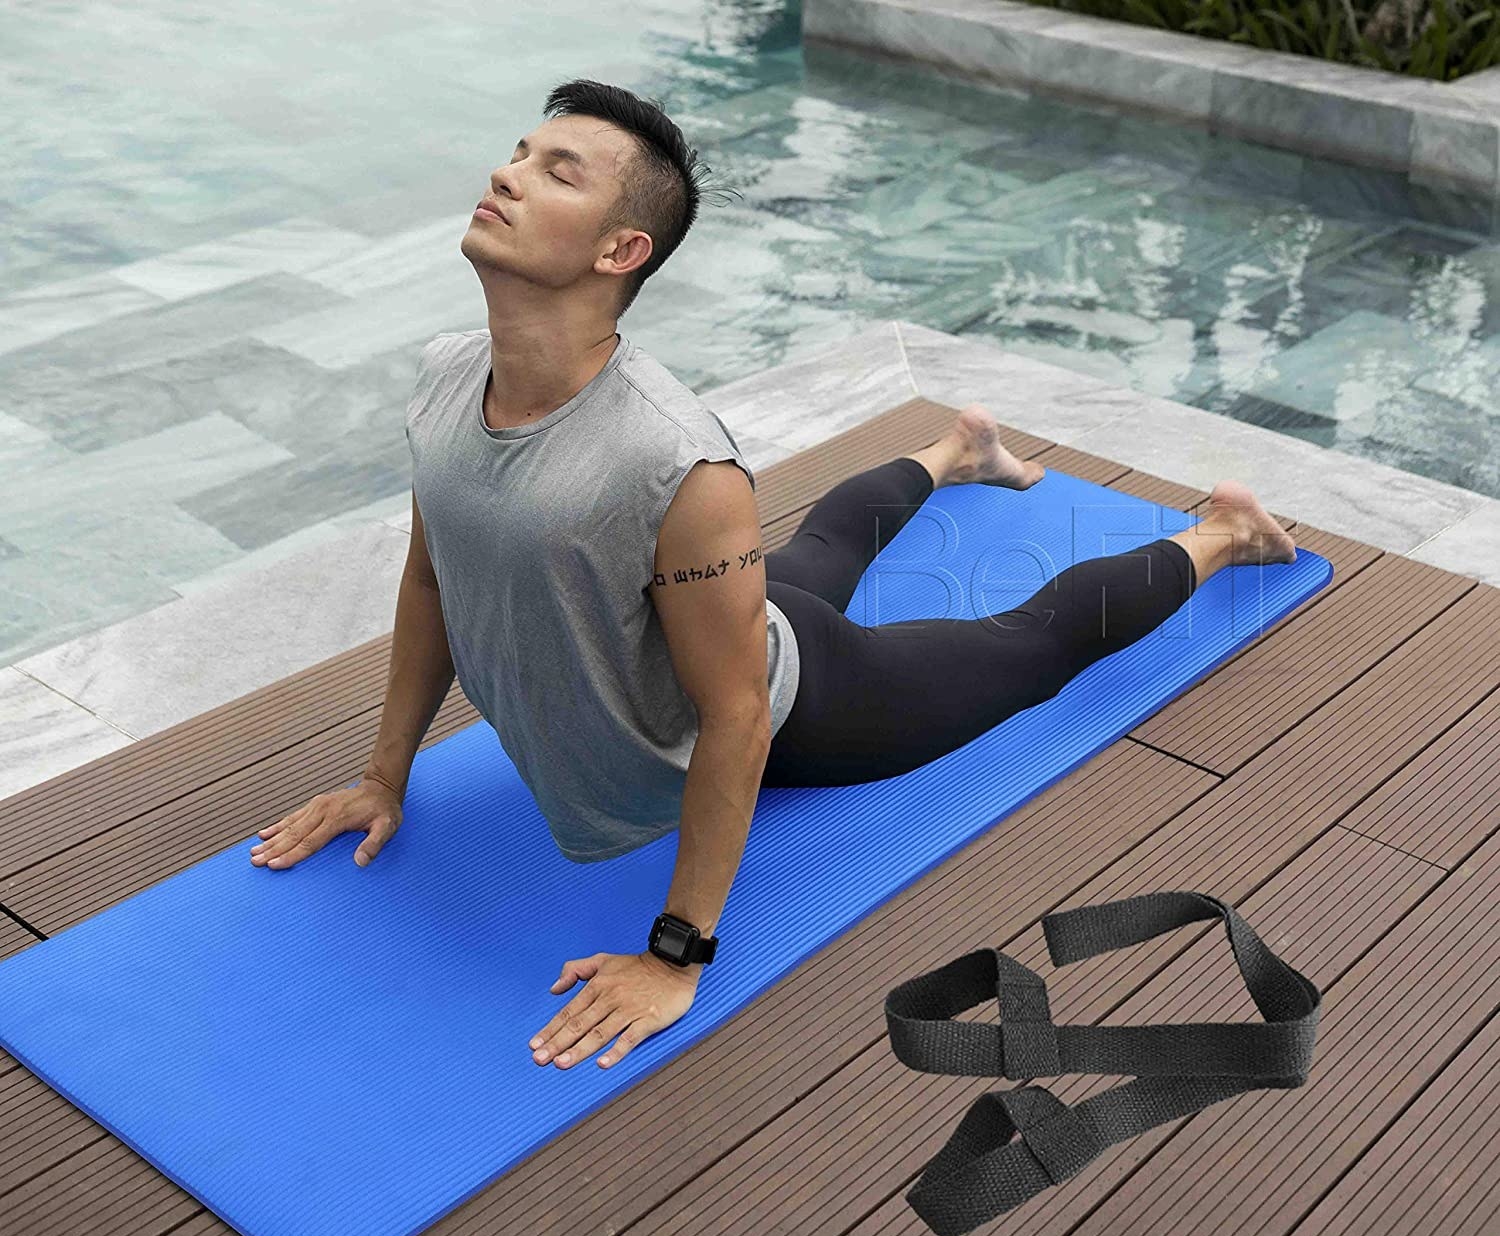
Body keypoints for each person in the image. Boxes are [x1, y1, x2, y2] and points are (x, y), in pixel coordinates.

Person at [248, 79, 1297, 1075]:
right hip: (715, 619)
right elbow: (435, 582)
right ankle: (959, 452)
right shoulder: (444, 377)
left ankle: (1218, 533)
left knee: (1028, 646)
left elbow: (741, 715)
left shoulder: (674, 460)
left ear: (623, 248)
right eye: (522, 152)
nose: (510, 172)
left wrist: (674, 954)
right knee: (824, 553)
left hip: (811, 704)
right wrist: (383, 776)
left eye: (557, 173)